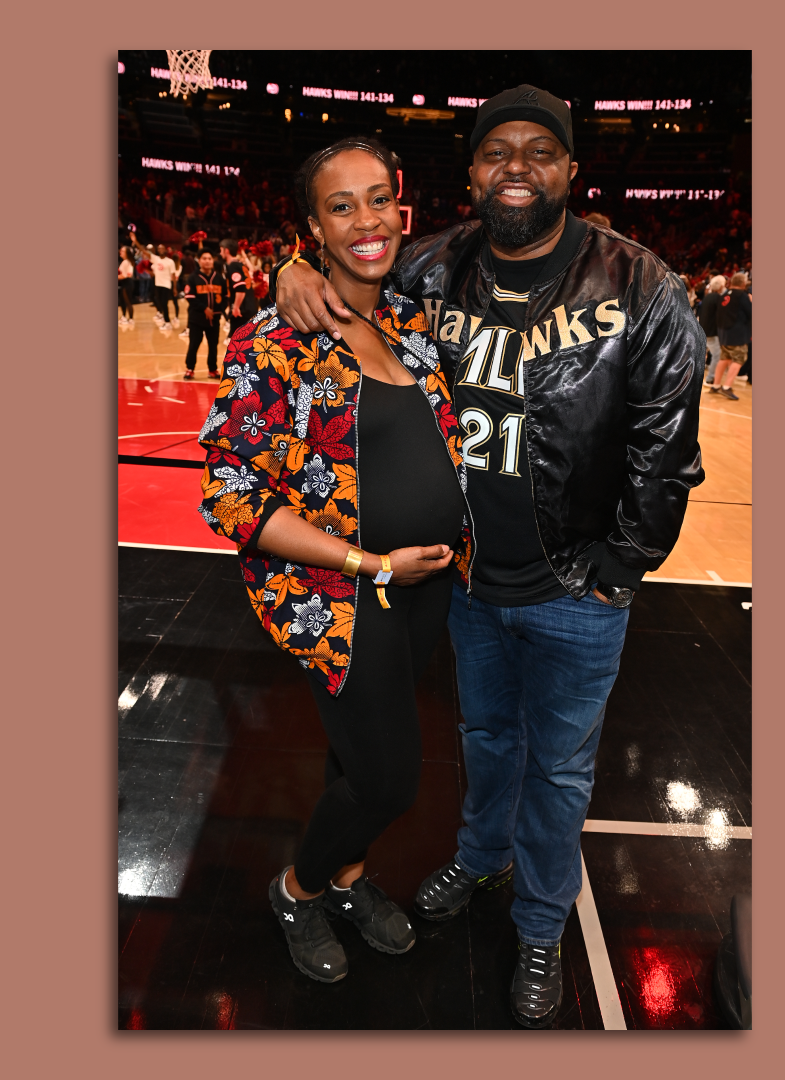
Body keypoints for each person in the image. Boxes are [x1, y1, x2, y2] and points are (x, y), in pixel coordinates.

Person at [277, 84, 706, 1027]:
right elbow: (349, 260)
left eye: (539, 150)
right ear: (469, 175)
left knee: (557, 770)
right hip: (466, 582)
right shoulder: (433, 268)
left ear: (570, 173)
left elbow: (667, 452)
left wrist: (618, 570)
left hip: (575, 590)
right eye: (496, 151)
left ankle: (543, 923)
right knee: (484, 742)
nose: (517, 165)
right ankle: (478, 859)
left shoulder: (643, 287)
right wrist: (288, 271)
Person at [197, 135, 473, 986]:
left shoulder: (410, 321)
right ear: (312, 226)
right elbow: (230, 495)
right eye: (341, 204)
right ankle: (299, 886)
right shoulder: (276, 339)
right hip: (345, 601)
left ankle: (350, 881)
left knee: (357, 761)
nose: (367, 220)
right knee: (390, 782)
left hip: (423, 590)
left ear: (402, 209)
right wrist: (368, 563)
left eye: (379, 198)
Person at [178, 250, 228, 378]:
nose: (207, 261)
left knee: (213, 345)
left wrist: (219, 310)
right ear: (199, 261)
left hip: (214, 319)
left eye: (209, 258)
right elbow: (190, 296)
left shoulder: (219, 278)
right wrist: (205, 308)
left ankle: (212, 369)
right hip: (197, 318)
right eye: (204, 258)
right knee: (194, 344)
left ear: (213, 261)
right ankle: (190, 368)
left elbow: (226, 296)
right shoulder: (193, 278)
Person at [711, 270, 751, 399]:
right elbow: (751, 313)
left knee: (725, 358)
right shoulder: (742, 295)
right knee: (739, 358)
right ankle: (727, 387)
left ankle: (716, 385)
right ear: (744, 283)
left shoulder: (724, 295)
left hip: (723, 333)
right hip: (737, 334)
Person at [697, 274, 725, 389]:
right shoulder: (719, 298)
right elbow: (720, 317)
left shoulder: (707, 297)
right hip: (711, 332)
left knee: (701, 356)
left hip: (702, 329)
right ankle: (710, 378)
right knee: (717, 355)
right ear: (721, 286)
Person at [151, 245, 179, 328]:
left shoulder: (170, 261)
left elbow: (173, 275)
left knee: (164, 303)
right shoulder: (155, 259)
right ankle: (164, 318)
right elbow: (145, 252)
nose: (160, 249)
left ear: (165, 250)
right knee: (160, 303)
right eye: (159, 248)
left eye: (162, 248)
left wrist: (174, 288)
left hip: (166, 285)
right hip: (157, 284)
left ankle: (167, 322)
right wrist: (135, 241)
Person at [116, 247, 135, 329]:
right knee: (123, 301)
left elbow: (125, 275)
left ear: (127, 253)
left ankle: (128, 318)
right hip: (127, 283)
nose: (121, 252)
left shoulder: (126, 262)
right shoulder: (127, 262)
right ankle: (127, 318)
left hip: (127, 283)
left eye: (123, 251)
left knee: (127, 301)